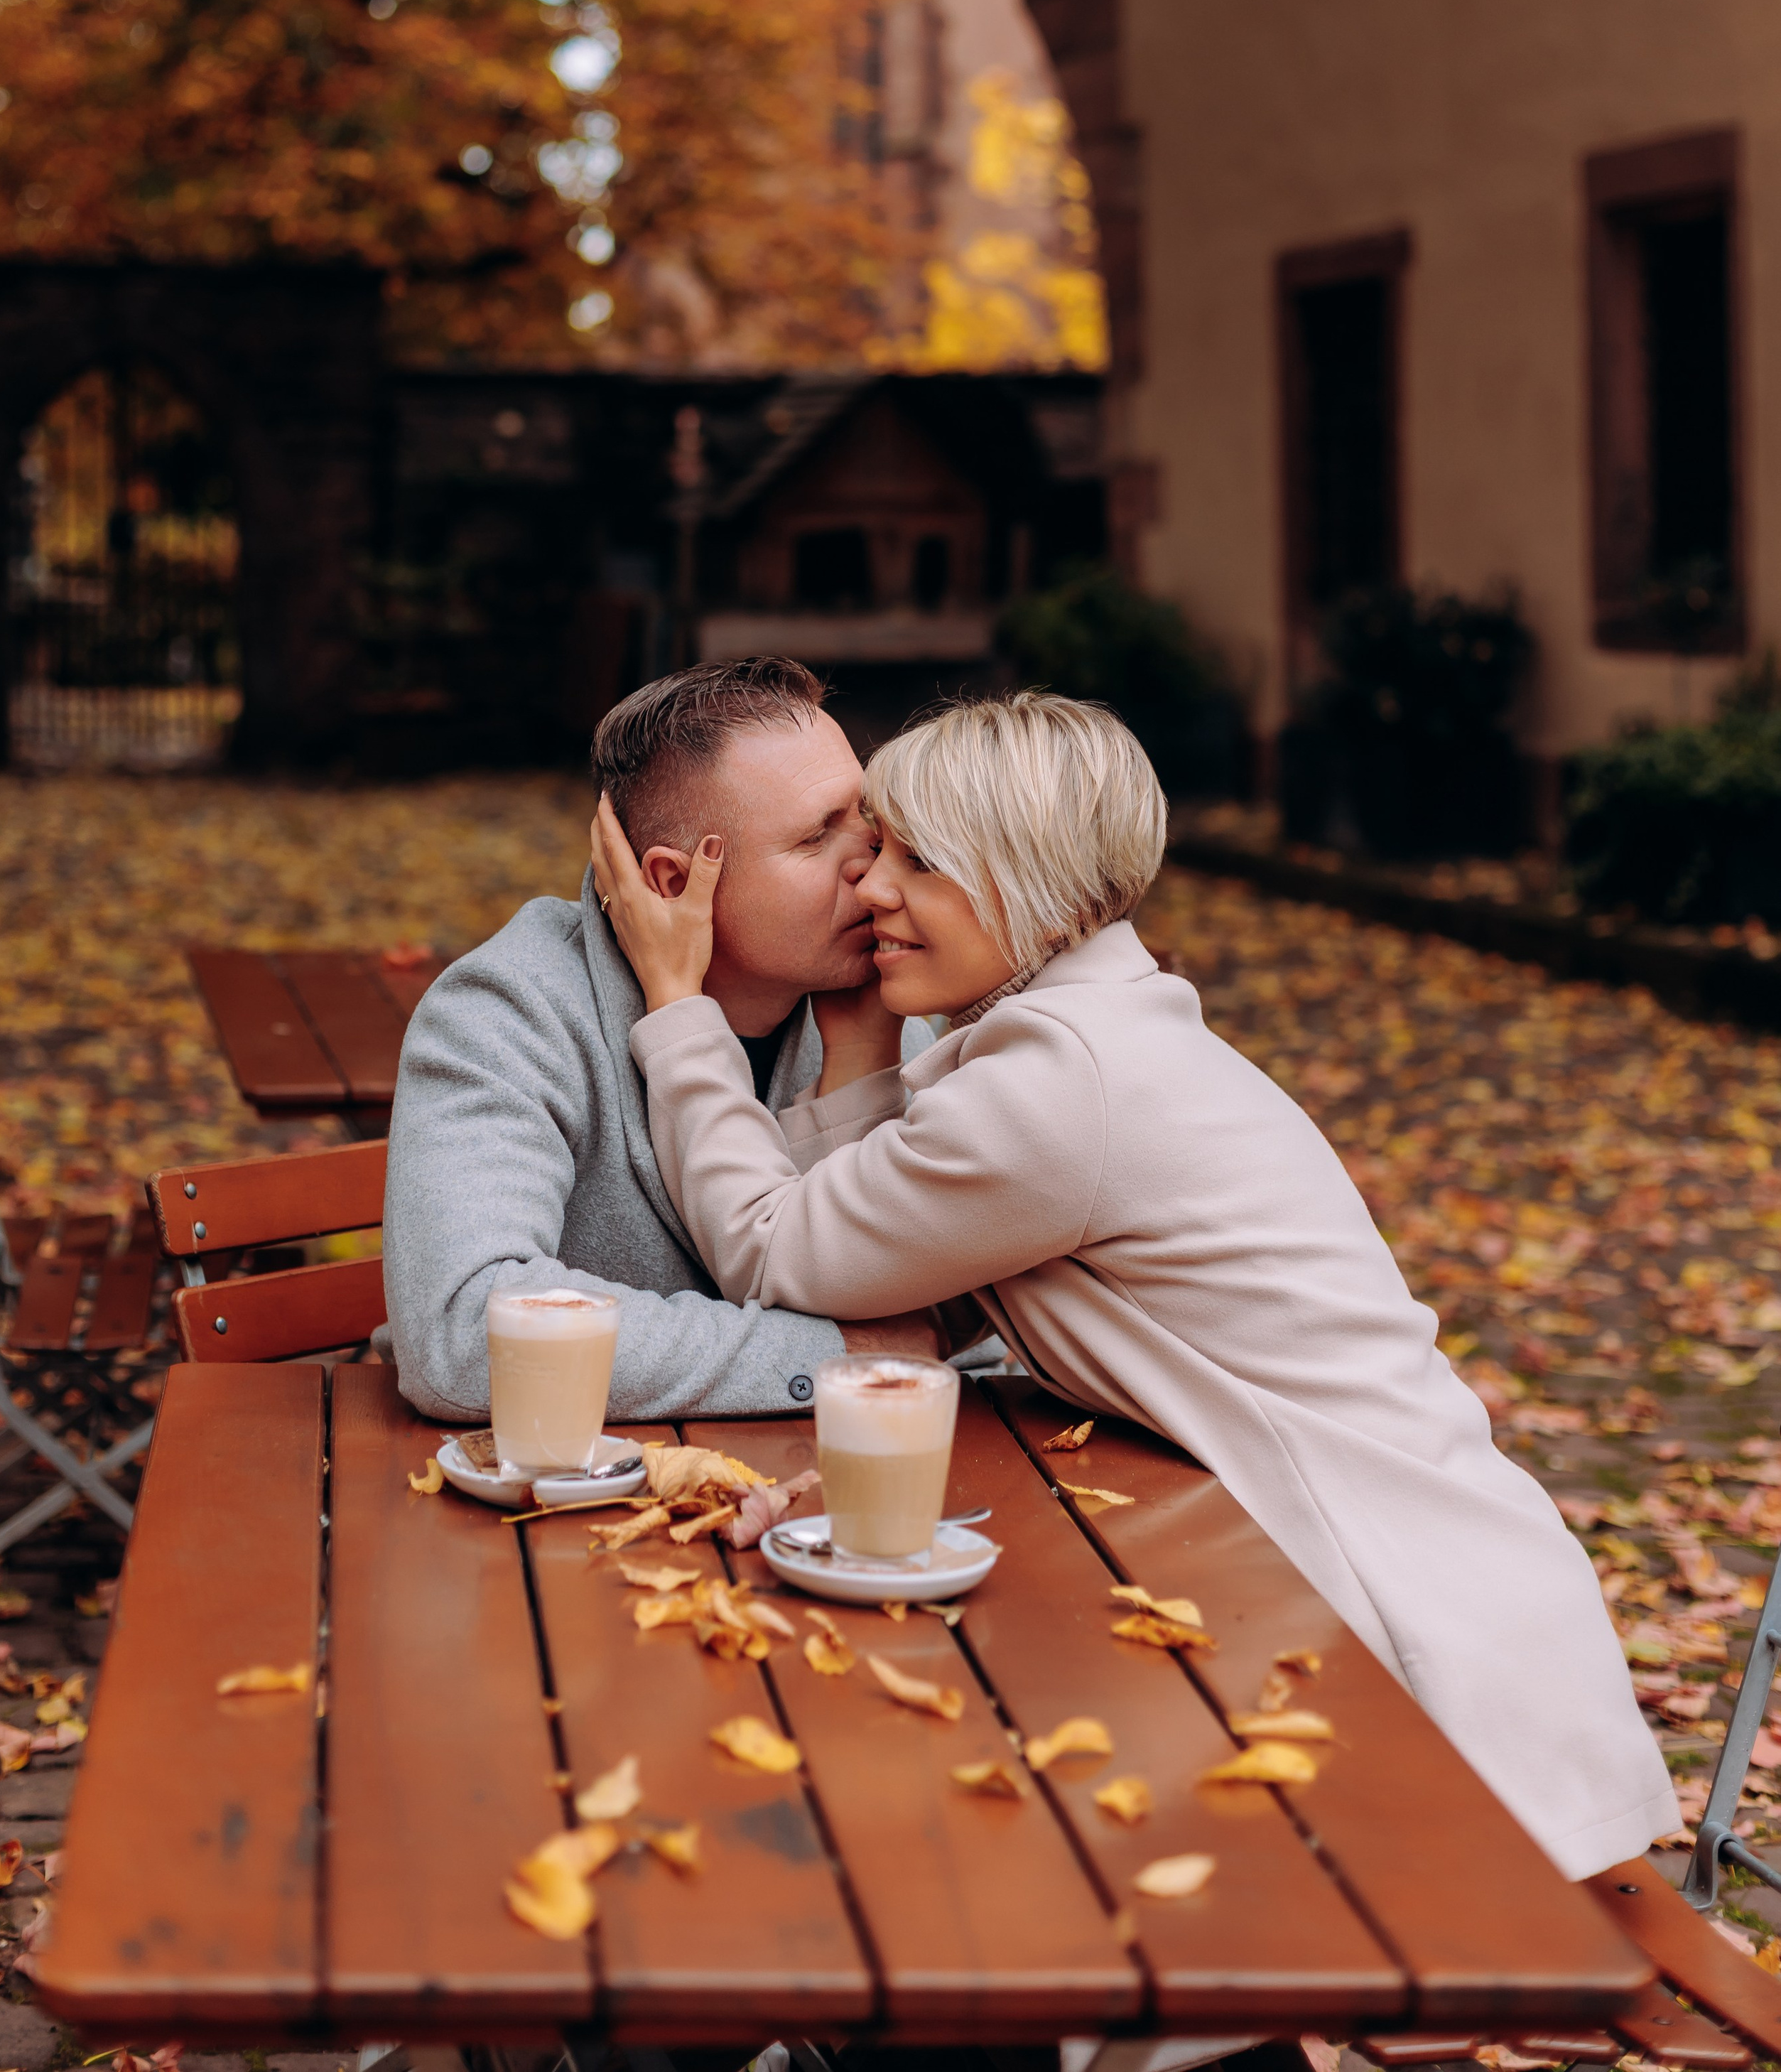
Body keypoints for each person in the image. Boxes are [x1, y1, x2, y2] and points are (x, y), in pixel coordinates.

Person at [591, 690, 1678, 1882]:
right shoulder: (1082, 1037)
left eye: (916, 861)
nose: (870, 890)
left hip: (1414, 1642)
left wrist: (679, 1008)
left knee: (1042, 1867)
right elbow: (868, 1245)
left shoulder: (1062, 1087)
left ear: (1028, 878)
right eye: (873, 851)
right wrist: (863, 1055)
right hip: (1358, 1581)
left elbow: (769, 1245)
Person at [381, 657, 941, 1422]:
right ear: (674, 884)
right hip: (557, 1513)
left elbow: (963, 1323)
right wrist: (831, 1353)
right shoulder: (506, 1012)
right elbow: (466, 1334)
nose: (874, 867)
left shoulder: (884, 1000)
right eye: (817, 838)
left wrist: (862, 1074)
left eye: (866, 818)